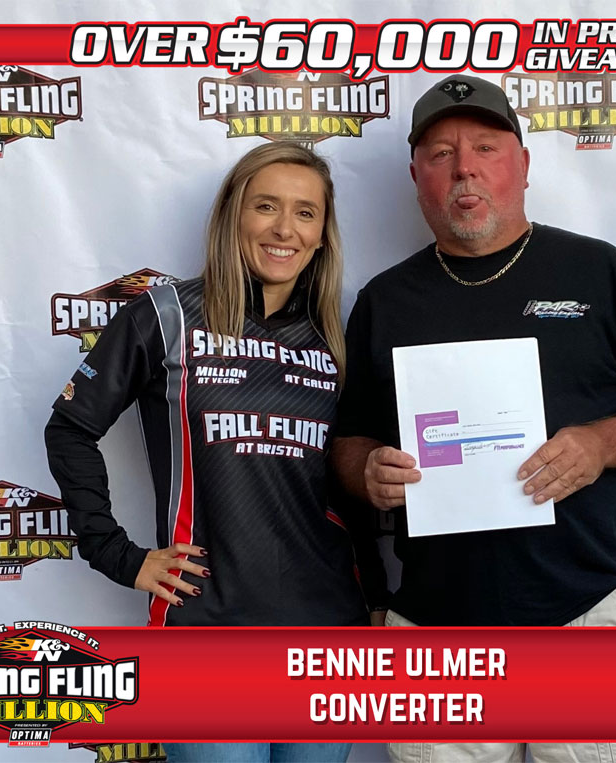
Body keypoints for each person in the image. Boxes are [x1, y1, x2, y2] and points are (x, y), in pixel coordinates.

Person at [331, 74, 616, 763]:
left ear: (524, 164)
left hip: (585, 616)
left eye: (486, 147)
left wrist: (602, 443)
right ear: (416, 178)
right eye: (441, 154)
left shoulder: (598, 272)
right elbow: (349, 439)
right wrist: (366, 471)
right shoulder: (384, 302)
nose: (464, 168)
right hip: (438, 636)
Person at [45, 142, 384, 763]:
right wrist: (117, 555)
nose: (285, 229)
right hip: (206, 627)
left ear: (321, 236)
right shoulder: (168, 315)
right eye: (267, 206)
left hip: (327, 631)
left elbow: (351, 476)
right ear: (233, 214)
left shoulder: (336, 334)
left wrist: (379, 597)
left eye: (305, 213)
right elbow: (70, 428)